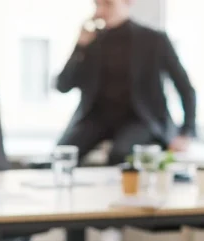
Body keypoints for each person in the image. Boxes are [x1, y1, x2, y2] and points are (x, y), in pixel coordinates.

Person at [55, 0, 196, 165]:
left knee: (121, 155)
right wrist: (79, 47)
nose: (100, 11)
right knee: (62, 154)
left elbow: (185, 88)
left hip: (139, 119)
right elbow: (63, 86)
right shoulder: (92, 41)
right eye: (97, 5)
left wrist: (186, 133)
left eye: (108, 4)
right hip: (97, 118)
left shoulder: (153, 40)